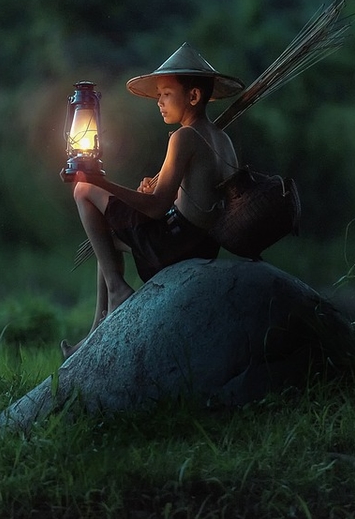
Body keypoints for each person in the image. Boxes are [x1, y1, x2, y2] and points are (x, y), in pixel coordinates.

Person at [61, 43, 244, 358]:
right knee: (105, 238)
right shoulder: (221, 139)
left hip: (175, 245)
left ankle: (118, 291)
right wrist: (144, 192)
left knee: (82, 190)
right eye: (158, 95)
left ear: (194, 97)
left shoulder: (183, 137)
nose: (159, 102)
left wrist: (100, 182)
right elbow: (193, 197)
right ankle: (96, 329)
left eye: (166, 94)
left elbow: (158, 207)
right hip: (202, 243)